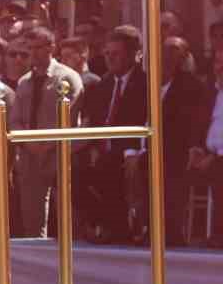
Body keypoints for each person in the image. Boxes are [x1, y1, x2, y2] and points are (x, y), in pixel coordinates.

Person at [10, 27, 84, 240]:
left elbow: (73, 119)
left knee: (66, 215)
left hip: (59, 155)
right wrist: (29, 142)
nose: (32, 53)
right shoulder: (24, 82)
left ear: (51, 47)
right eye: (29, 48)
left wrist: (47, 144)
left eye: (38, 48)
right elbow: (14, 120)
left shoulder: (68, 78)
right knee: (32, 219)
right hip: (29, 156)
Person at [139, 36, 209, 246]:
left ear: (184, 58)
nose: (168, 57)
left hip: (178, 149)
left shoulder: (191, 86)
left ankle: (170, 232)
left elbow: (192, 123)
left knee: (165, 169)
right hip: (148, 147)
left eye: (174, 52)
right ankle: (144, 228)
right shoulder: (148, 83)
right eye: (165, 51)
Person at [81, 25, 148, 243]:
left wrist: (132, 152)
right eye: (107, 54)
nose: (110, 59)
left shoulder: (146, 83)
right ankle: (97, 225)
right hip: (102, 151)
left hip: (132, 151)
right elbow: (95, 122)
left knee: (112, 170)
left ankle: (120, 230)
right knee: (70, 170)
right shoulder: (104, 84)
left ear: (133, 54)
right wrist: (92, 147)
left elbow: (146, 121)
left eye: (116, 54)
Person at [189, 43, 223, 245]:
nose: (220, 67)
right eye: (218, 62)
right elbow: (200, 125)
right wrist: (196, 148)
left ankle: (219, 234)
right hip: (209, 155)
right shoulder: (211, 93)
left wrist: (215, 155)